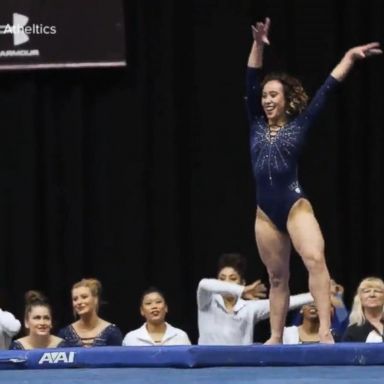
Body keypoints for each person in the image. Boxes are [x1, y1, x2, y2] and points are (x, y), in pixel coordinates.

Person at [246, 17, 382, 344]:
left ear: (286, 99)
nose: (266, 100)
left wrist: (348, 59)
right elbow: (249, 79)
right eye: (264, 95)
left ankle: (324, 330)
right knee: (277, 277)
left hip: (294, 204)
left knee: (316, 262)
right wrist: (257, 45)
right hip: (265, 211)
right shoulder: (254, 123)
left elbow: (326, 90)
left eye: (273, 95)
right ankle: (276, 336)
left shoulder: (300, 125)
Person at [197, 253, 313, 345]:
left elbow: (286, 303)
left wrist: (319, 295)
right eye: (222, 279)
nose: (227, 282)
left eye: (233, 278)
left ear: (242, 282)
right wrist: (242, 290)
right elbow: (203, 284)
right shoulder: (207, 303)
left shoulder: (249, 308)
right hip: (208, 366)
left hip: (238, 367)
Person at [58, 278, 123, 347]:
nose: (79, 302)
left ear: (95, 299)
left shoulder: (112, 332)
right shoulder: (65, 334)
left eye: (84, 297)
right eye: (75, 299)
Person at [122, 287, 191, 346]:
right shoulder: (131, 338)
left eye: (158, 302)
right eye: (148, 303)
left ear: (166, 307)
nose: (154, 306)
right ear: (142, 311)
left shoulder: (180, 336)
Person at [342, 277, 384, 342]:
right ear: (360, 299)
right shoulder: (353, 331)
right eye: (367, 291)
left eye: (377, 291)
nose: (372, 295)